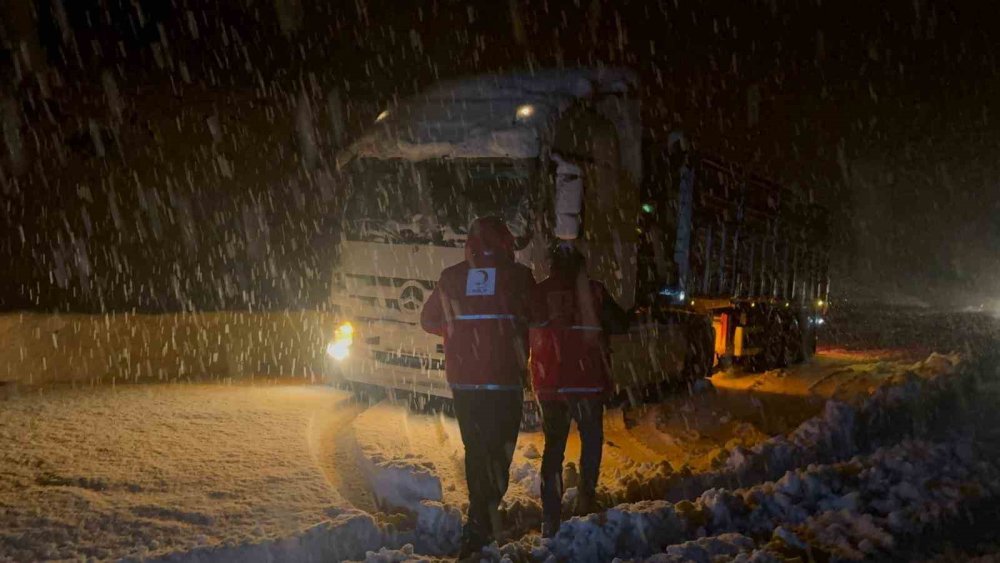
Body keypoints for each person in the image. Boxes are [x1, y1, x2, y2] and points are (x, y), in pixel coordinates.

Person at [420, 216, 538, 557]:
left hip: (464, 382)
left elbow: (428, 320)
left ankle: (479, 517)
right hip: (503, 383)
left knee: (475, 447)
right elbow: (540, 315)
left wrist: (458, 334)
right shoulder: (518, 278)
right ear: (506, 243)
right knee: (499, 450)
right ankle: (484, 517)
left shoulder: (452, 278)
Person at [529, 241, 630, 538]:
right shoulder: (595, 291)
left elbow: (523, 323)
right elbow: (620, 323)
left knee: (554, 448)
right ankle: (586, 498)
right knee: (591, 440)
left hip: (551, 384)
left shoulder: (540, 291)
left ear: (552, 264)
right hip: (586, 382)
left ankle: (550, 514)